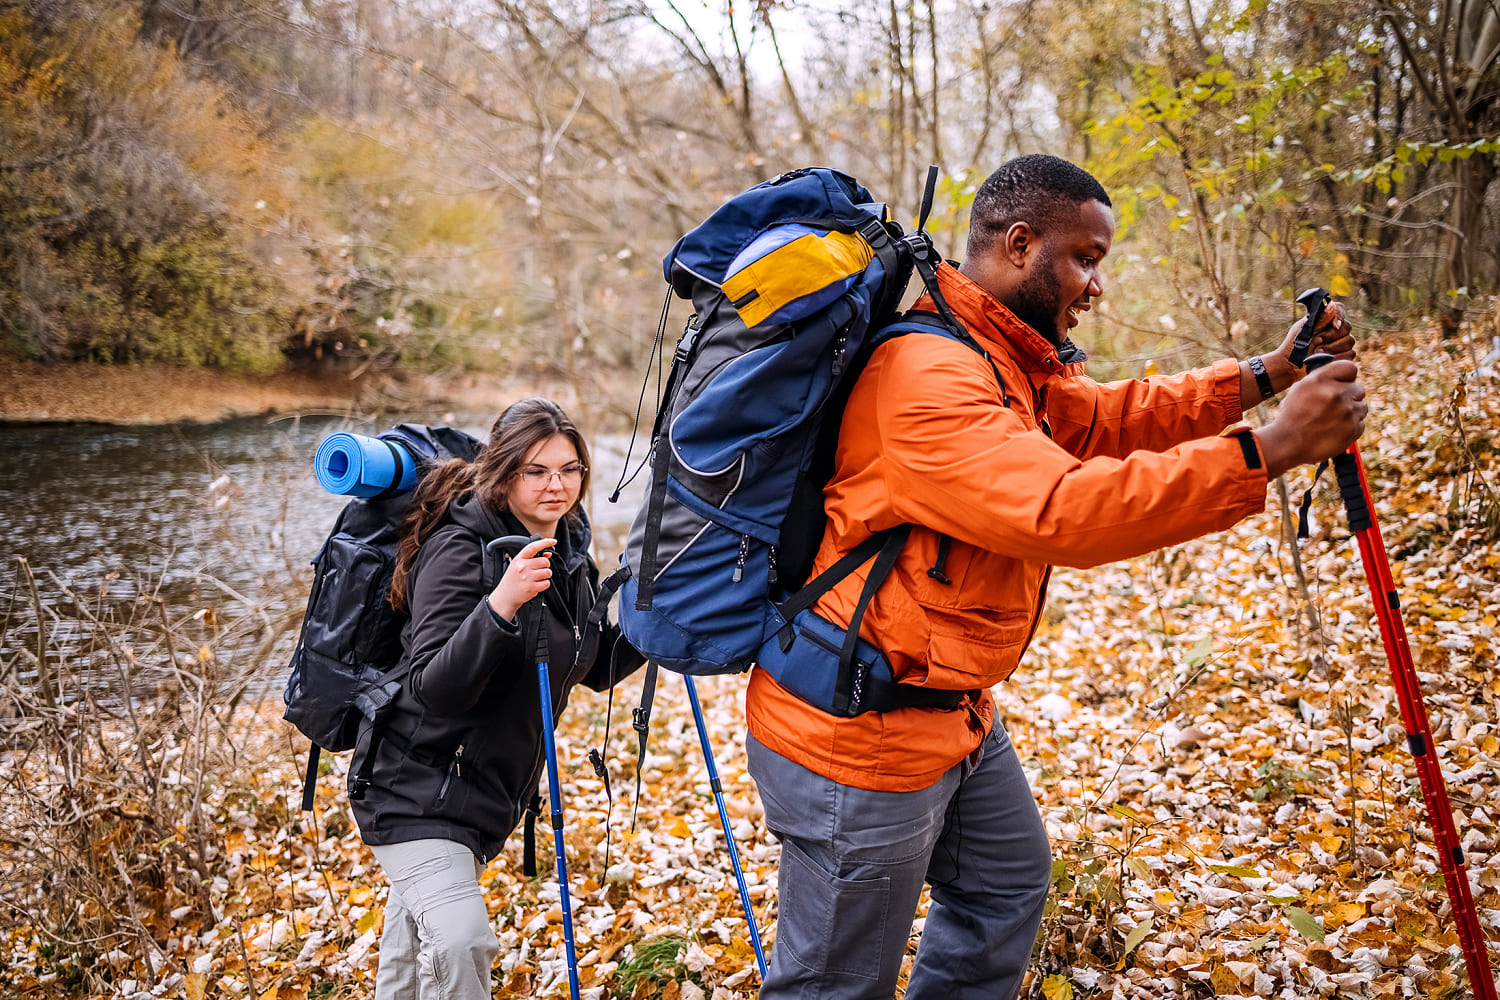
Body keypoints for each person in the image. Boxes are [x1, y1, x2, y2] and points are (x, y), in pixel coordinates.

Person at [743, 154, 1367, 1000]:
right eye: (1086, 258)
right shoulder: (928, 379)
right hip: (863, 729)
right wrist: (1273, 448)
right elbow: (1063, 511)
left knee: (1004, 886)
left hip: (949, 708)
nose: (1095, 286)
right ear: (1020, 242)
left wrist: (1266, 375)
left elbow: (1108, 421)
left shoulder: (999, 357)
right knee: (834, 988)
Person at [349, 397, 643, 1000]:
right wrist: (500, 605)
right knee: (460, 941)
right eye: (537, 471)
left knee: (409, 954)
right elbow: (433, 686)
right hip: (412, 789)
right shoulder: (458, 549)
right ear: (505, 474)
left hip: (480, 797)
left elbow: (592, 665)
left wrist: (664, 625)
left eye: (569, 469)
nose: (556, 486)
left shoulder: (569, 557)